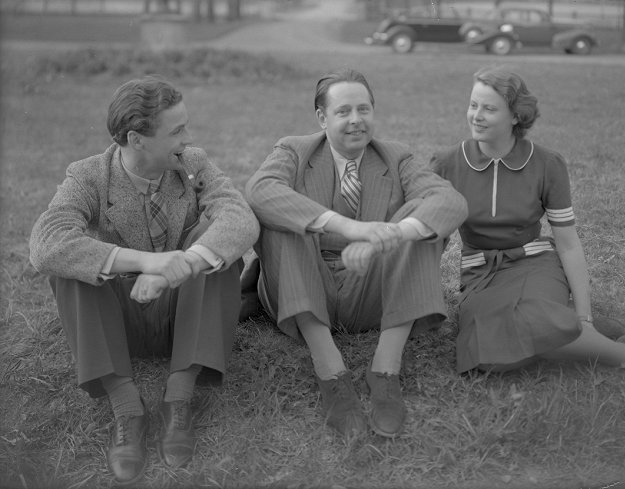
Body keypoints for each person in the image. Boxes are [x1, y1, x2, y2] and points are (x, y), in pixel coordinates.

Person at [29, 75, 260, 484]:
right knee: (70, 261)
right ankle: (126, 408)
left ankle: (179, 398)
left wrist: (185, 264)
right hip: (118, 321)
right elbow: (45, 243)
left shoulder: (193, 163)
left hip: (183, 316)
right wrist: (145, 263)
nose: (187, 138)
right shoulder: (88, 176)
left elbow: (240, 218)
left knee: (216, 244)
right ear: (136, 140)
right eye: (177, 130)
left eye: (185, 126)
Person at [244, 68, 468, 438]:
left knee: (421, 221)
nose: (355, 121)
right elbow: (259, 190)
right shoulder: (294, 151)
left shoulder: (396, 157)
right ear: (322, 117)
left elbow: (450, 201)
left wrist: (390, 235)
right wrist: (347, 227)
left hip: (372, 292)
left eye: (364, 110)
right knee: (285, 220)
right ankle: (331, 372)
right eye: (343, 111)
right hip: (302, 286)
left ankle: (384, 370)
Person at [429, 66, 625, 375]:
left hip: (534, 264)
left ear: (515, 116)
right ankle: (589, 332)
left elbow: (567, 244)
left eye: (489, 108)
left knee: (530, 319)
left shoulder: (547, 163)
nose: (476, 115)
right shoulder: (447, 162)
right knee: (487, 358)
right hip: (479, 271)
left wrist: (585, 318)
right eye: (473, 105)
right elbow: (432, 242)